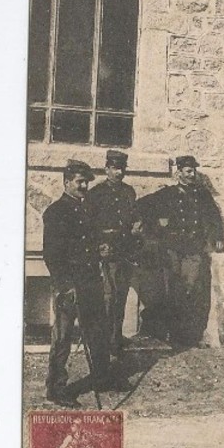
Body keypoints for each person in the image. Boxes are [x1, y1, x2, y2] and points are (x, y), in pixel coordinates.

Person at [43, 160, 122, 408]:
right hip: (69, 283)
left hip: (90, 280)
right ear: (67, 183)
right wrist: (65, 285)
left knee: (96, 330)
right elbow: (52, 255)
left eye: (86, 181)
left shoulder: (88, 209)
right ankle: (56, 388)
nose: (84, 186)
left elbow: (93, 240)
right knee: (64, 336)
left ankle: (101, 377)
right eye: (79, 181)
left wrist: (103, 249)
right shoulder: (56, 212)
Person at [136, 156, 224, 348]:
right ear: (179, 173)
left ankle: (186, 334)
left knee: (190, 287)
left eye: (193, 171)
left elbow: (214, 216)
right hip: (172, 248)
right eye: (187, 171)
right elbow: (142, 206)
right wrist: (155, 227)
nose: (192, 174)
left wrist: (217, 237)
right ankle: (169, 332)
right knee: (171, 288)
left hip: (193, 248)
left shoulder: (202, 194)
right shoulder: (167, 194)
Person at [88, 150, 138, 357]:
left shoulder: (129, 191)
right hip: (106, 254)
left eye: (122, 169)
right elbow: (89, 225)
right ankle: (105, 342)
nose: (119, 172)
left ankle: (115, 339)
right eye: (115, 168)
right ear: (107, 169)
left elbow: (133, 217)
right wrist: (100, 246)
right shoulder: (95, 193)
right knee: (108, 299)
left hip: (125, 252)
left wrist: (137, 225)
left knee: (121, 298)